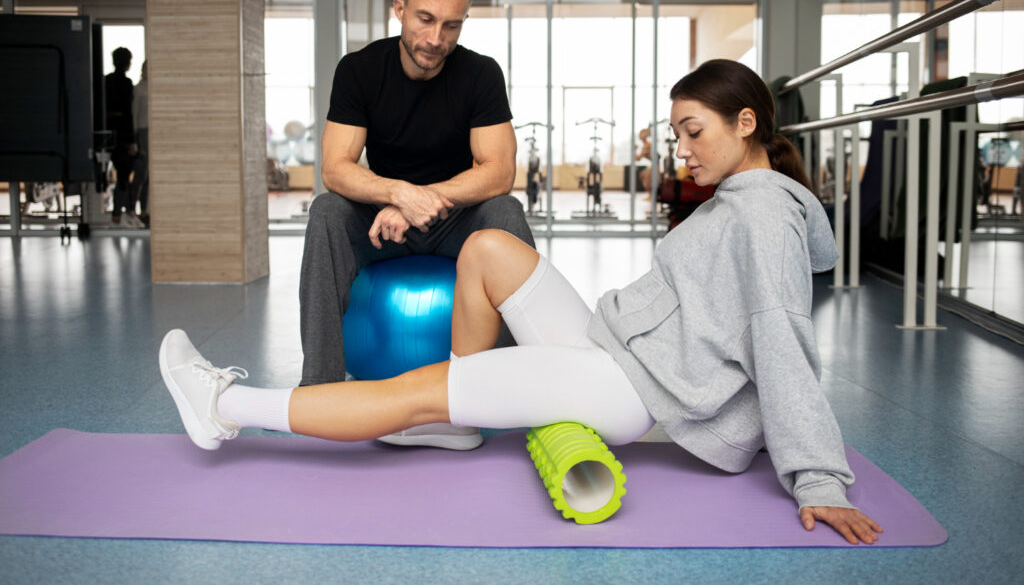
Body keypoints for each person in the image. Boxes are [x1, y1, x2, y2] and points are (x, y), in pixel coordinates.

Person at [160, 59, 882, 545]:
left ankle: (222, 406)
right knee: (487, 250)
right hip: (619, 349)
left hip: (633, 387)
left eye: (694, 133)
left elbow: (781, 337)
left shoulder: (762, 217)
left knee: (413, 392)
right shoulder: (738, 199)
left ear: (746, 124)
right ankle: (459, 415)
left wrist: (818, 474)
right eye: (678, 135)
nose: (682, 150)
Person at [299, 0, 535, 450]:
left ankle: (522, 385)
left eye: (451, 25)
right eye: (425, 20)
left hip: (453, 223)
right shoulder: (360, 70)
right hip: (379, 226)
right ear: (400, 10)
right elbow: (336, 167)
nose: (435, 38)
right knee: (326, 211)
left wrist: (424, 201)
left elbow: (498, 170)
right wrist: (395, 194)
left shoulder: (480, 75)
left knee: (506, 212)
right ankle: (317, 390)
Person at [104, 47, 143, 228]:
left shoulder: (106, 81)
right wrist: (131, 140)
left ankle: (119, 214)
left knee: (118, 174)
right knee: (124, 175)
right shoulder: (126, 83)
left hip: (107, 133)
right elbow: (127, 114)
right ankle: (120, 213)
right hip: (122, 135)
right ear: (127, 63)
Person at [130, 61, 150, 227]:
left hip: (154, 132)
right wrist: (135, 139)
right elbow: (134, 114)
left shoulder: (155, 88)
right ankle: (131, 208)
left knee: (149, 176)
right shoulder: (138, 89)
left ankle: (144, 210)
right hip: (142, 132)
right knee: (140, 174)